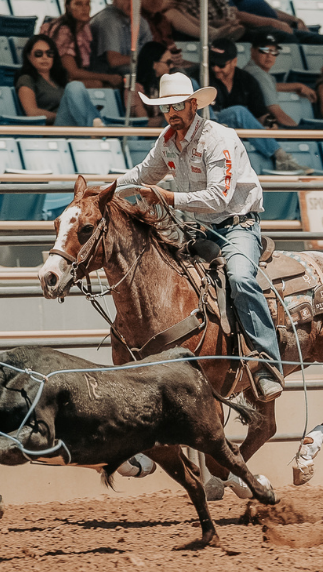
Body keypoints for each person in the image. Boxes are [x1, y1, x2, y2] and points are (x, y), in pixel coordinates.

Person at [117, 72, 282, 406]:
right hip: (201, 229)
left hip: (237, 225)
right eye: (166, 108)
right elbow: (141, 174)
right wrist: (105, 191)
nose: (172, 113)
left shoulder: (217, 139)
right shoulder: (167, 141)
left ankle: (268, 363)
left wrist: (167, 197)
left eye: (178, 105)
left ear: (193, 104)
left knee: (239, 278)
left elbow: (218, 199)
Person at [206, 38, 313, 173]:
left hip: (235, 132)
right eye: (212, 64)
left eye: (221, 65)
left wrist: (271, 124)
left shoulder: (246, 79)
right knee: (239, 111)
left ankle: (282, 159)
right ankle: (281, 157)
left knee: (241, 113)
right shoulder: (202, 74)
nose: (215, 68)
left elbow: (261, 113)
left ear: (234, 62)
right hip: (210, 127)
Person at [41, 0, 121, 89]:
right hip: (55, 82)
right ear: (68, 7)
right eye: (78, 4)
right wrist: (108, 77)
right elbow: (72, 72)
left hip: (70, 80)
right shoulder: (63, 31)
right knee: (98, 84)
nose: (84, 8)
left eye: (87, 4)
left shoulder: (84, 29)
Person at [14, 35, 100, 127]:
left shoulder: (59, 79)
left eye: (49, 53)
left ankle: (94, 129)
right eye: (39, 53)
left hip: (72, 124)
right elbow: (32, 112)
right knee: (75, 86)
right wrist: (61, 116)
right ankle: (95, 129)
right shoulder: (26, 79)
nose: (44, 57)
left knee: (77, 88)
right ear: (29, 56)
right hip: (53, 127)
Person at [244, 31, 318, 128]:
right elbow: (277, 113)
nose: (269, 55)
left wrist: (297, 86)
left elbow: (267, 87)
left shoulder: (251, 71)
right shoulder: (258, 74)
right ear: (252, 51)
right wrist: (299, 132)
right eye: (264, 50)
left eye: (273, 51)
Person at [90, 0, 154, 76]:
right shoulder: (108, 20)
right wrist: (147, 60)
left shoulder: (141, 22)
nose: (132, 3)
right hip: (107, 74)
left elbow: (150, 51)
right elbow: (114, 60)